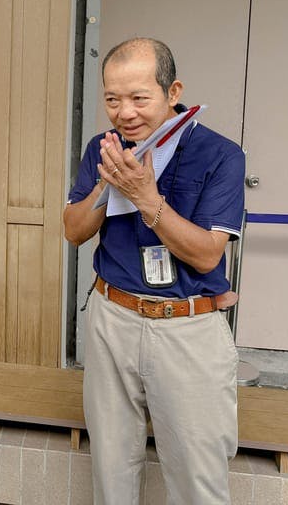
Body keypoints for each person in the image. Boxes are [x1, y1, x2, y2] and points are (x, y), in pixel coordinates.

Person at [64, 38, 244, 504]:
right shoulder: (101, 150)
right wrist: (107, 185)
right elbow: (73, 230)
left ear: (173, 91)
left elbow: (207, 255)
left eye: (139, 98)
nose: (125, 112)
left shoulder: (221, 155)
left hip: (187, 327)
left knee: (196, 480)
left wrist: (146, 197)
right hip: (113, 318)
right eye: (112, 99)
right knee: (112, 469)